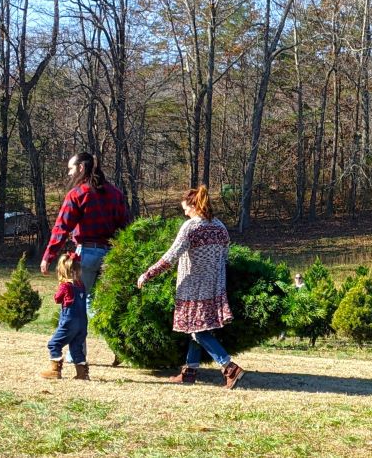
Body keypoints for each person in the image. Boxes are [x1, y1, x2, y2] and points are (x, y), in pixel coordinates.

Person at [137, 185, 244, 390]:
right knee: (197, 327)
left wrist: (148, 273)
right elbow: (225, 256)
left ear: (194, 206)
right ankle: (190, 371)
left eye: (186, 208)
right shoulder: (220, 227)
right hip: (215, 286)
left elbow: (170, 256)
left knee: (197, 330)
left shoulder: (191, 227)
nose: (185, 212)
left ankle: (229, 367)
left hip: (194, 287)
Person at [40, 152, 129, 364]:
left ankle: (76, 355)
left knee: (79, 304)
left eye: (71, 168)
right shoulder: (115, 193)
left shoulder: (77, 194)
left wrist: (48, 256)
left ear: (81, 168)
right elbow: (125, 226)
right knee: (103, 305)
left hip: (86, 254)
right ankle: (120, 346)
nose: (69, 172)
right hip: (111, 255)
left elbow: (62, 227)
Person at [40, 253, 89, 380]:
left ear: (62, 271)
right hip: (82, 322)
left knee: (54, 344)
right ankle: (82, 373)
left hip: (69, 321)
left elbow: (57, 299)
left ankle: (55, 370)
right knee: (76, 347)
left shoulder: (65, 286)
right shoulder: (81, 286)